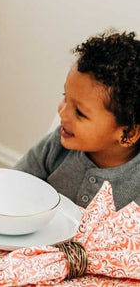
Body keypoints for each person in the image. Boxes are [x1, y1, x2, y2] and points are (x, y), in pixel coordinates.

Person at [14, 30, 140, 209]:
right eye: (65, 96)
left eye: (80, 113)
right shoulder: (55, 147)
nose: (62, 113)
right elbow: (14, 185)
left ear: (128, 132)